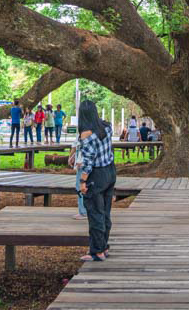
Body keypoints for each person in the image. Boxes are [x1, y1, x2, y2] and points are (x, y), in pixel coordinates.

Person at [77, 99, 115, 262]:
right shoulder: (106, 127)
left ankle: (97, 251)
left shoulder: (86, 134)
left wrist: (82, 182)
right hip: (110, 172)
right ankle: (103, 246)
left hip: (96, 176)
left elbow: (88, 161)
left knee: (95, 213)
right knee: (105, 212)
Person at [69, 133, 87, 220]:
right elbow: (75, 145)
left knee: (80, 186)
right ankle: (82, 210)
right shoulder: (80, 131)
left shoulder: (87, 132)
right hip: (80, 162)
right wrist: (71, 156)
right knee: (78, 186)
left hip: (84, 164)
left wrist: (81, 160)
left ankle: (84, 212)